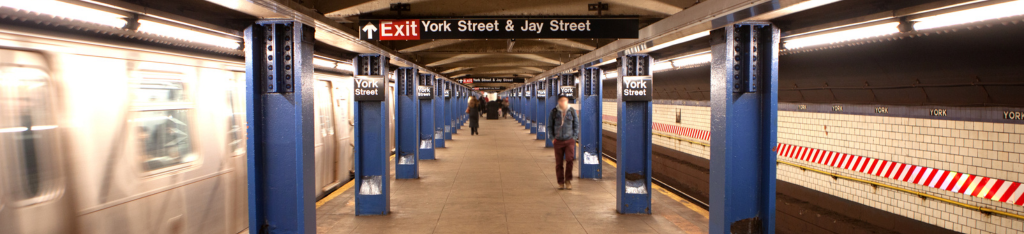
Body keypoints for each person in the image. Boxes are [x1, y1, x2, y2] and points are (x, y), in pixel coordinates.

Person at [547, 95, 579, 190]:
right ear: (558, 101)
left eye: (564, 100)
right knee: (559, 162)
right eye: (561, 100)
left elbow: (576, 125)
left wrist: (574, 137)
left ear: (567, 101)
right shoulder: (554, 112)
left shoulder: (572, 111)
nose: (563, 102)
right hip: (558, 141)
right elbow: (550, 126)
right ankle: (560, 182)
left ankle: (568, 180)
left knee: (570, 160)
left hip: (569, 140)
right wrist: (552, 138)